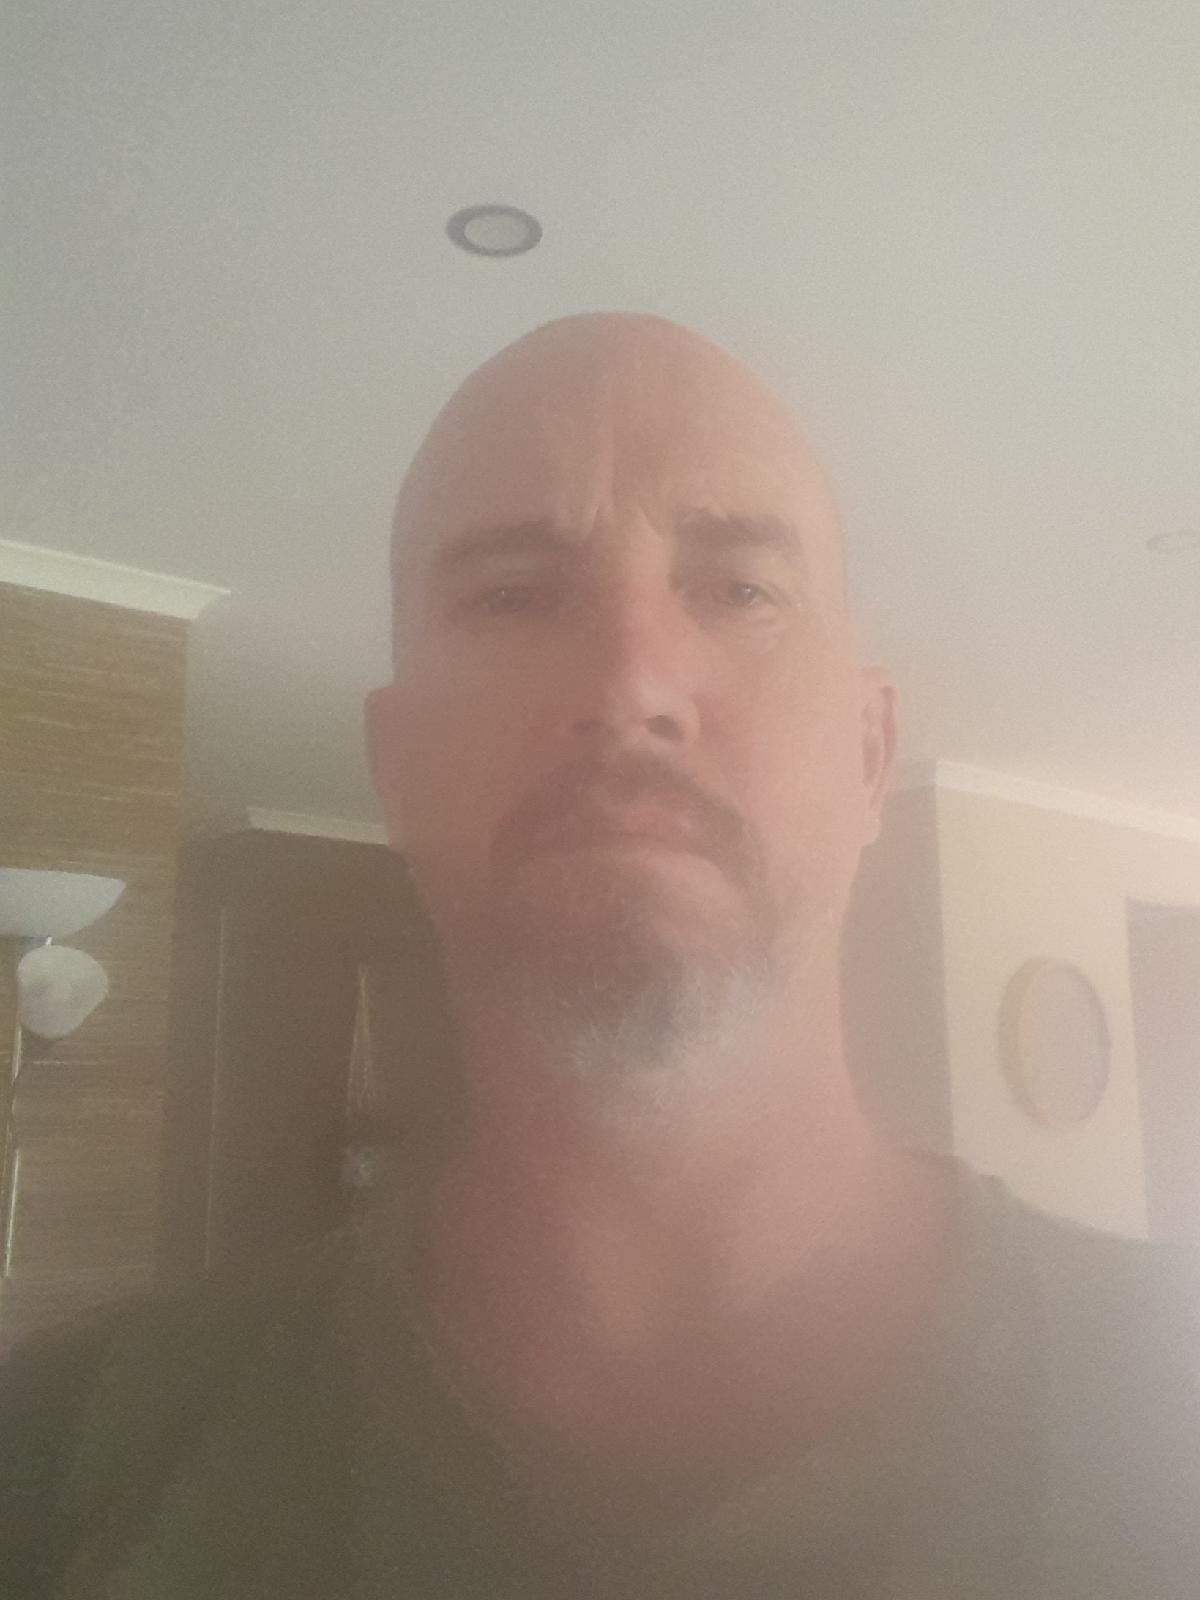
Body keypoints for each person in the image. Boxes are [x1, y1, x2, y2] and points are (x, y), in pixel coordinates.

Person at [2, 314, 1197, 1598]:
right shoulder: (54, 1471)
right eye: (514, 594)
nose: (632, 681)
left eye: (739, 588)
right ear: (395, 768)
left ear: (868, 752)